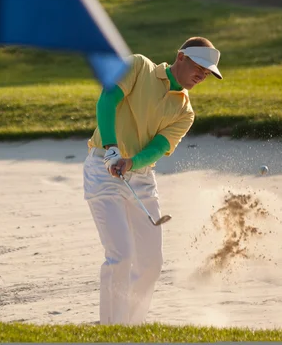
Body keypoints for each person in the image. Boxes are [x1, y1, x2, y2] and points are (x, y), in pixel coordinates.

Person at [82, 36, 223, 325]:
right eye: (199, 66)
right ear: (181, 57)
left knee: (151, 264)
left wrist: (131, 162)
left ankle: (131, 327)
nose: (201, 75)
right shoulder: (138, 67)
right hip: (102, 168)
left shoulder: (185, 112)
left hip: (141, 178)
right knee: (121, 254)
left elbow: (158, 147)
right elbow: (107, 100)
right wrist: (111, 148)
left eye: (207, 72)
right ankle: (112, 329)